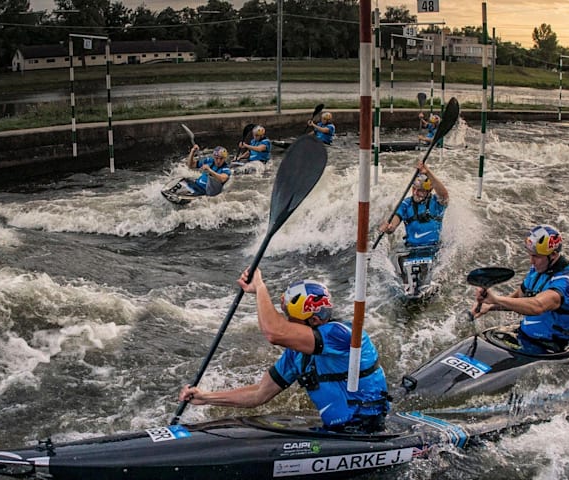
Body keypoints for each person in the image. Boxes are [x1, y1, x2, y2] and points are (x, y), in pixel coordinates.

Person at [178, 269, 390, 432]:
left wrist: (260, 288)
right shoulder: (296, 355)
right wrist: (207, 397)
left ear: (314, 320)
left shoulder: (343, 335)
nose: (288, 322)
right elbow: (259, 394)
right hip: (335, 431)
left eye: (291, 319)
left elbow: (274, 333)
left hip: (367, 428)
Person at [471, 224, 569, 354]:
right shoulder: (538, 270)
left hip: (551, 347)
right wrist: (490, 306)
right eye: (530, 255)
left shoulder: (568, 282)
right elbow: (519, 298)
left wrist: (496, 298)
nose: (531, 261)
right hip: (525, 337)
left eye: (536, 256)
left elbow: (537, 306)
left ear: (553, 254)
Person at [377, 162, 450, 248]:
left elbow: (444, 194)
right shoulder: (406, 204)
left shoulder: (437, 203)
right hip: (412, 249)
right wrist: (389, 228)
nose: (415, 193)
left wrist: (427, 173)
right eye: (414, 188)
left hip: (434, 248)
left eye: (420, 190)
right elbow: (394, 222)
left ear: (428, 191)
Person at [163, 145, 232, 199]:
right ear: (214, 157)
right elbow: (190, 165)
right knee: (182, 180)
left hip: (205, 191)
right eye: (217, 158)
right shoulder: (209, 161)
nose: (219, 161)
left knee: (188, 192)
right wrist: (192, 152)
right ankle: (170, 192)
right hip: (196, 184)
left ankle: (181, 196)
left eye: (221, 158)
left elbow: (222, 178)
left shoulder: (225, 169)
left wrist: (210, 171)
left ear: (225, 159)